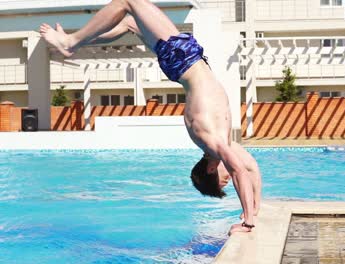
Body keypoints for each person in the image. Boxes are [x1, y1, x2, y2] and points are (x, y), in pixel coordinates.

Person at [39, 0, 261, 235]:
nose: (228, 178)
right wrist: (254, 209)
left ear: (210, 171)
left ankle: (71, 43)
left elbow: (239, 172)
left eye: (222, 182)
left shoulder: (212, 143)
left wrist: (247, 222)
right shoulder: (221, 144)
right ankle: (76, 42)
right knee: (128, 22)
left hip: (182, 58)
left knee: (127, 2)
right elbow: (251, 169)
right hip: (185, 59)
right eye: (225, 183)